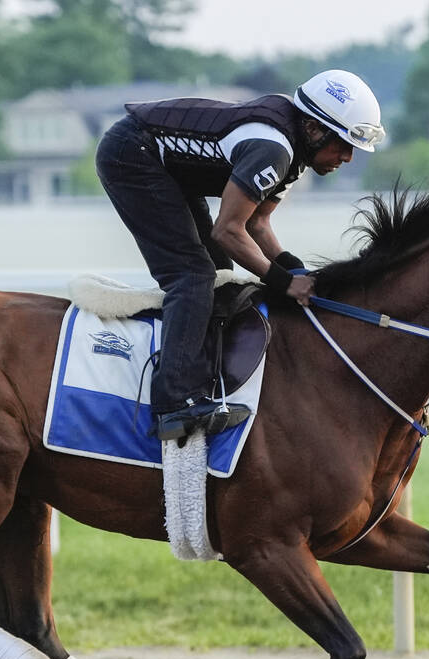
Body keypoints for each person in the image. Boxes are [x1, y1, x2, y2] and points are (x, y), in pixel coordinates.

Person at [95, 69, 385, 441]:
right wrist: (284, 283)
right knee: (193, 276)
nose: (347, 157)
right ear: (315, 128)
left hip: (159, 161)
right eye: (343, 144)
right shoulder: (275, 149)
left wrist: (302, 273)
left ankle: (202, 383)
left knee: (218, 273)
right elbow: (228, 230)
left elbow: (258, 225)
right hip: (131, 154)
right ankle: (172, 406)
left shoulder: (295, 153)